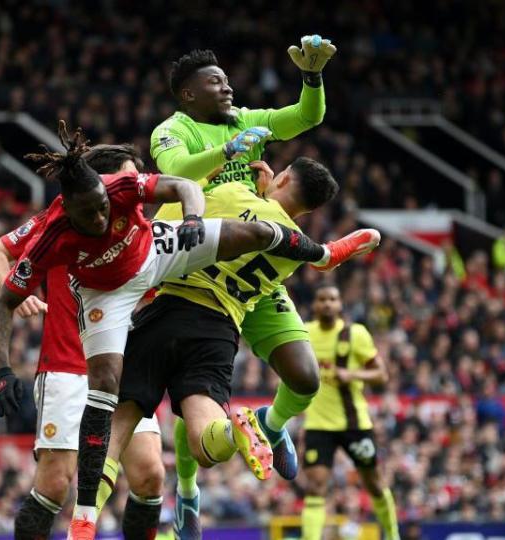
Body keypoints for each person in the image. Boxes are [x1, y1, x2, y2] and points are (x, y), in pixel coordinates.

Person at [0, 122, 364, 540]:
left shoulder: (127, 191)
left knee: (148, 471)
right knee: (77, 455)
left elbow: (184, 186)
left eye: (104, 206)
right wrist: (2, 367)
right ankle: (86, 521)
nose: (101, 217)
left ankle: (325, 254)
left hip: (157, 268)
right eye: (89, 212)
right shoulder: (48, 233)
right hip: (98, 324)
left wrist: (190, 219)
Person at [103, 159, 378, 539]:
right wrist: (327, 253)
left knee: (116, 424)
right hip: (221, 328)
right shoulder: (294, 248)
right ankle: (220, 452)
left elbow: (173, 213)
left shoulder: (232, 190)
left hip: (173, 304)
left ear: (281, 176)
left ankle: (84, 522)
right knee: (205, 432)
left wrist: (223, 180)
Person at [151, 37, 343, 488]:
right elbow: (177, 172)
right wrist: (229, 150)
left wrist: (311, 79)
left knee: (304, 376)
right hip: (196, 265)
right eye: (215, 82)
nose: (227, 88)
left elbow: (305, 117)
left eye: (226, 79)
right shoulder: (172, 130)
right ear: (188, 95)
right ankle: (186, 490)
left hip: (253, 267)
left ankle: (270, 426)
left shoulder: (245, 120)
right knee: (194, 386)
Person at [0, 143, 165, 540]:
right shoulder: (60, 222)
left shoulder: (136, 228)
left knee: (150, 473)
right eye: (126, 178)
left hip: (119, 370)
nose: (135, 190)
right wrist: (18, 292)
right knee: (56, 482)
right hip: (67, 365)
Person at [300, 285, 399, 540]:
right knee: (315, 487)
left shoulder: (355, 334)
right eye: (322, 299)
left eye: (333, 299)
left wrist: (352, 374)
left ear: (340, 304)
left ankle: (392, 533)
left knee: (374, 483)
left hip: (354, 423)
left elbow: (382, 374)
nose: (327, 304)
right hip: (318, 424)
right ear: (315, 305)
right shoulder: (304, 333)